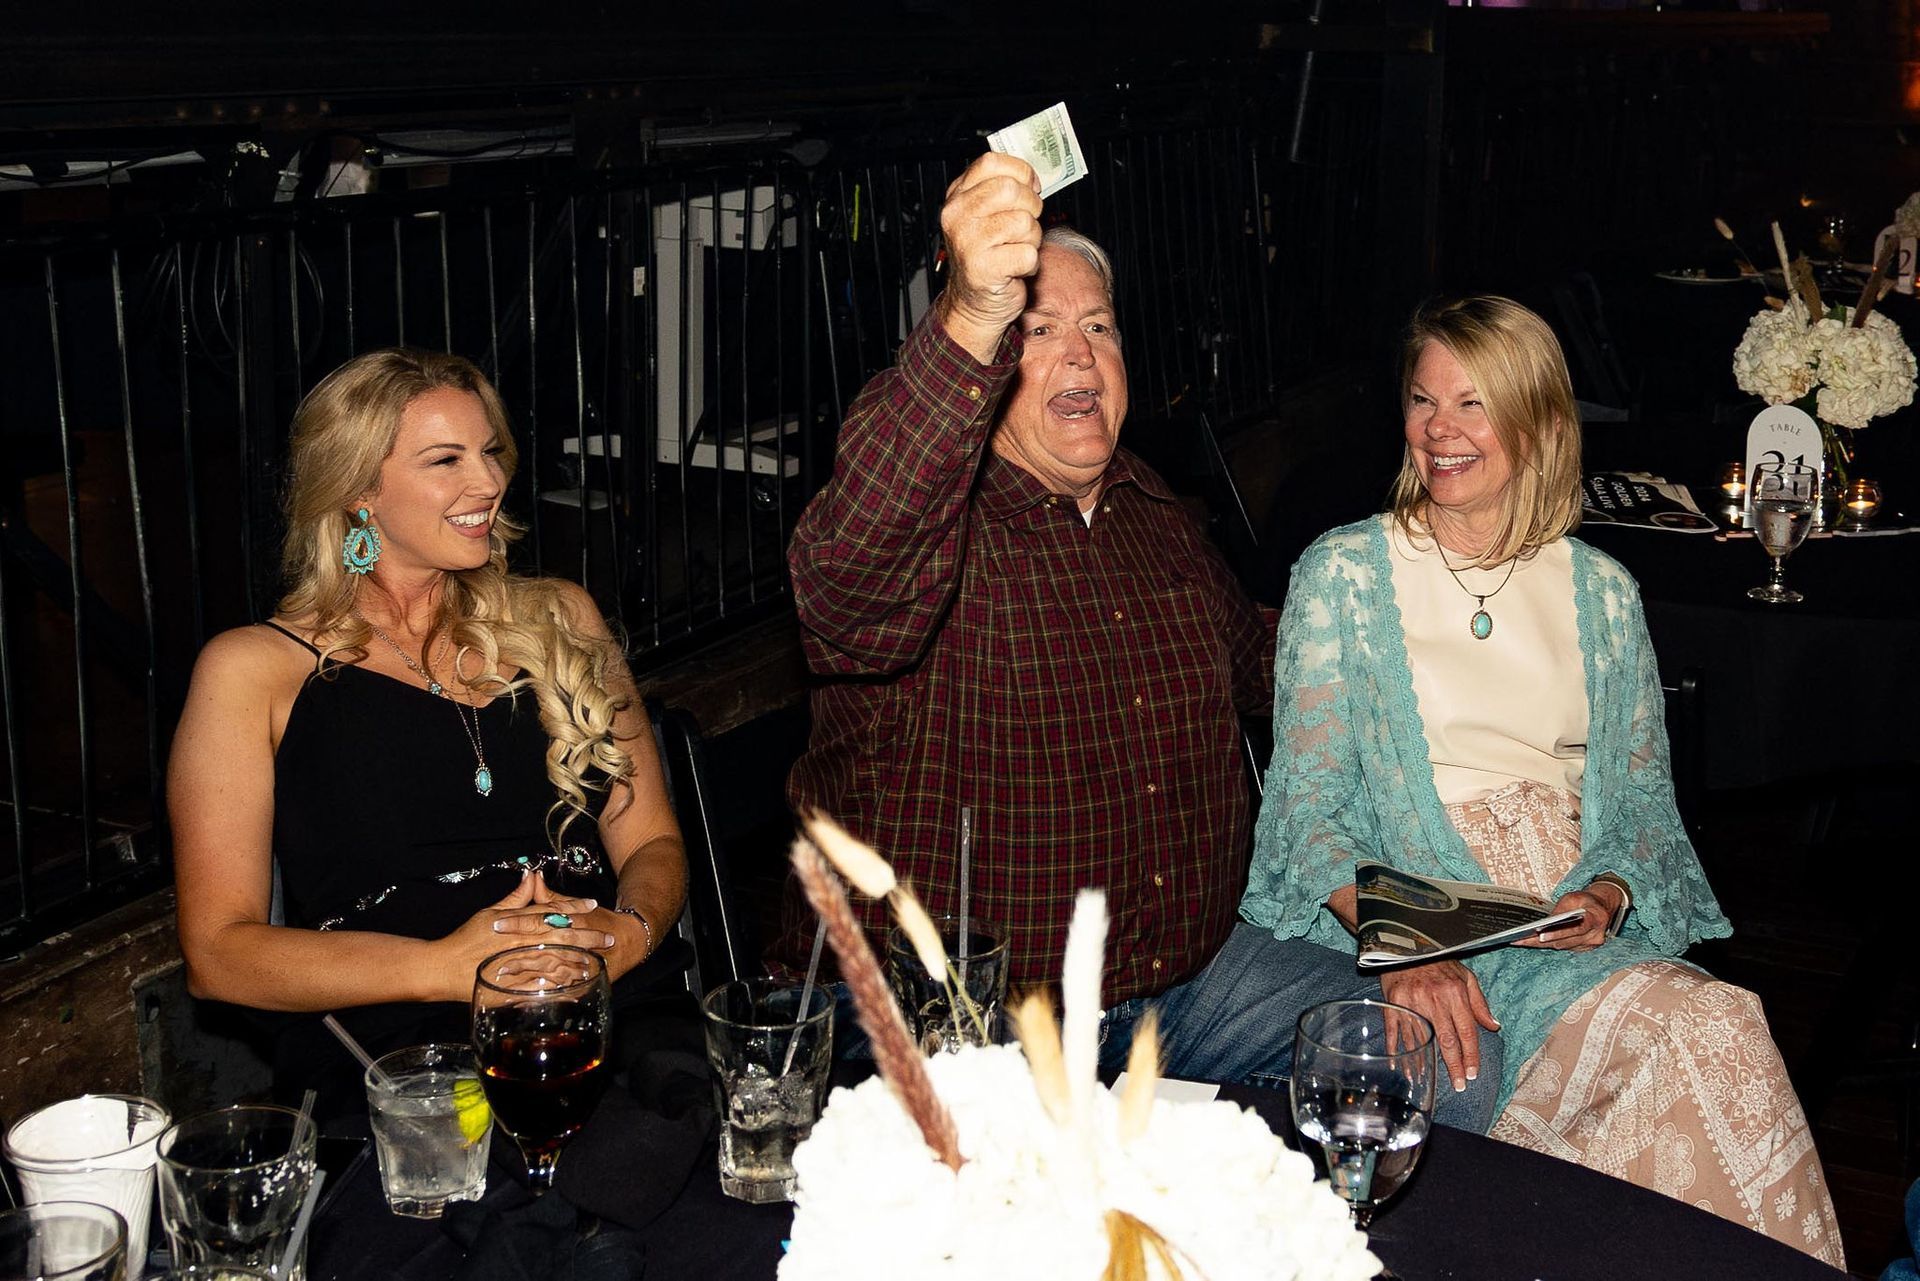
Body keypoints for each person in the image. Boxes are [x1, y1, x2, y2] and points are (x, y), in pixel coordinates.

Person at [1238, 295, 1842, 1263]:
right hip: (1426, 906)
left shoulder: (1602, 590)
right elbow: (1305, 815)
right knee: (1707, 1032)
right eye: (1423, 400)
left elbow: (1643, 809)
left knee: (1715, 1027)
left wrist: (1607, 890)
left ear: (1542, 424)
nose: (1440, 430)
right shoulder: (1346, 573)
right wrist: (1409, 945)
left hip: (1565, 921)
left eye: (1473, 404)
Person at [781, 150, 1305, 1077]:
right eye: (1038, 327)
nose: (1080, 352)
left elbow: (1271, 669)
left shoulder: (1154, 513)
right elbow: (842, 586)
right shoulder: (934, 519)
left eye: (1099, 326)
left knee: (1435, 1054)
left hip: (1190, 993)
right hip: (966, 1023)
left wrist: (1400, 593)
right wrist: (974, 311)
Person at [169, 348, 687, 1114]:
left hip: (602, 1017)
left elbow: (653, 844)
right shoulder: (253, 671)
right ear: (356, 492)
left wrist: (628, 936)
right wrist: (447, 967)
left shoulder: (560, 619)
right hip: (405, 1053)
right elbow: (218, 954)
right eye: (447, 459)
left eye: (488, 452)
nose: (488, 481)